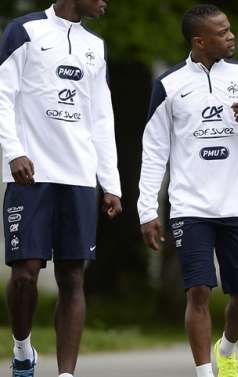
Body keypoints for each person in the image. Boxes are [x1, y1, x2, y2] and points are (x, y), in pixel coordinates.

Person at [137, 5, 238, 377]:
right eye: (223, 32)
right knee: (198, 291)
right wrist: (147, 210)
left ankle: (227, 348)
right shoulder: (169, 86)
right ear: (200, 41)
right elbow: (154, 152)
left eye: (231, 29)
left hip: (237, 206)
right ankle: (206, 373)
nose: (232, 36)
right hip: (190, 208)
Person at [0, 1, 122, 376]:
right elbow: (2, 95)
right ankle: (22, 349)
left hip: (80, 178)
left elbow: (102, 116)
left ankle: (66, 373)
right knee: (25, 273)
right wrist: (13, 151)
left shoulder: (95, 46)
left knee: (72, 276)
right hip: (30, 175)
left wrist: (111, 183)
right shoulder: (25, 31)